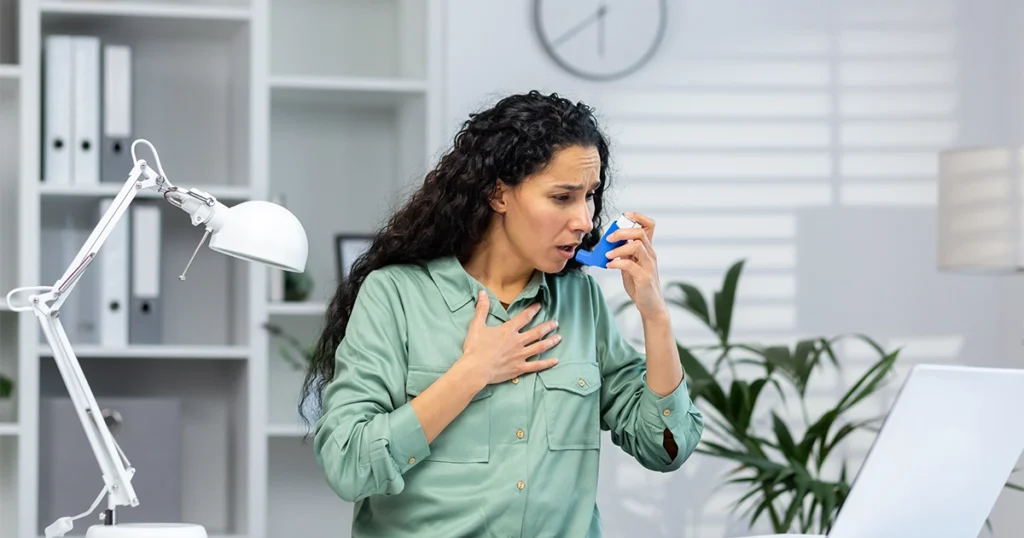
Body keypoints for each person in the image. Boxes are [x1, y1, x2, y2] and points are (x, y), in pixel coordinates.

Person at [300, 90, 704, 537]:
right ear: (498, 194)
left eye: (589, 196)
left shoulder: (579, 298)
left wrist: (655, 315)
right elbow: (349, 465)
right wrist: (470, 374)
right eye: (562, 197)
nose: (585, 220)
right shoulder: (395, 294)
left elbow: (664, 447)